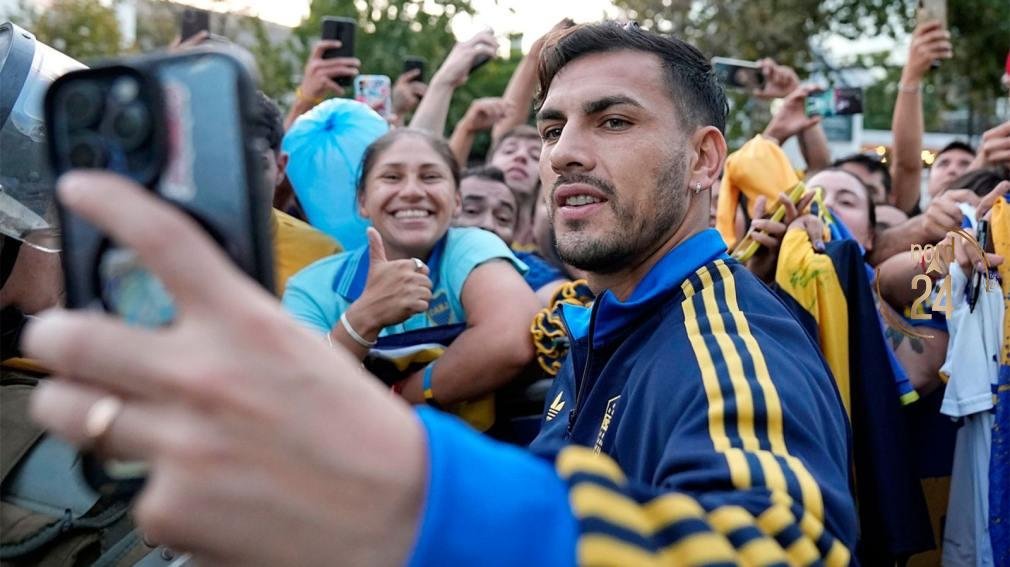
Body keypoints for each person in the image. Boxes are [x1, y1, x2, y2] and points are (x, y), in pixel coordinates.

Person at [27, 22, 856, 566]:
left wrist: (406, 487)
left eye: (613, 121)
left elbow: (779, 550)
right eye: (552, 127)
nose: (564, 151)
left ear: (706, 160)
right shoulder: (596, 317)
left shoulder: (734, 345)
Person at [282, 128, 539, 416]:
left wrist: (401, 399)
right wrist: (364, 317)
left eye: (430, 177)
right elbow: (298, 392)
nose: (413, 192)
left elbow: (511, 338)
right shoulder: (312, 287)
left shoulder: (473, 247)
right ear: (363, 201)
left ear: (456, 200)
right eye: (392, 177)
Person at [250, 92, 342, 294]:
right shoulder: (177, 250)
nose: (241, 178)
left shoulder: (322, 256)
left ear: (280, 168)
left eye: (255, 165)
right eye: (223, 163)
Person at [452, 165, 569, 304]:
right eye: (471, 210)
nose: (488, 225)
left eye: (503, 218)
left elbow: (565, 301)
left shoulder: (525, 267)